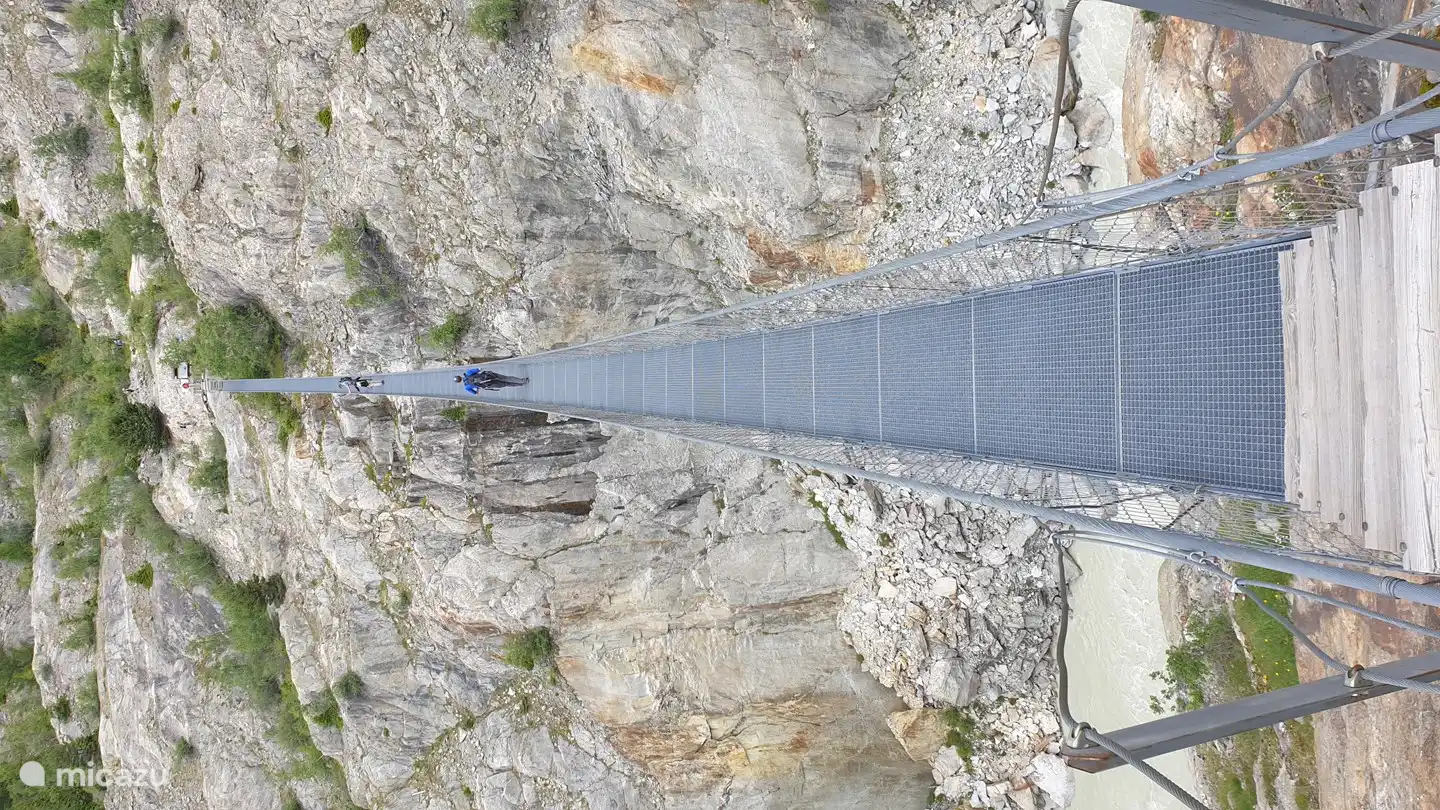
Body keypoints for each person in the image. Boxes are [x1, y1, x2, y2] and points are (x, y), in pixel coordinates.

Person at [454, 368, 528, 394]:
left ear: (459, 382)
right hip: (489, 375)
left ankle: (521, 384)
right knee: (505, 378)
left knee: (506, 384)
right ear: (460, 376)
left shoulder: (467, 387)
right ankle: (523, 380)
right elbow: (478, 369)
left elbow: (475, 393)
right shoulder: (468, 373)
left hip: (488, 384)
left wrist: (476, 388)